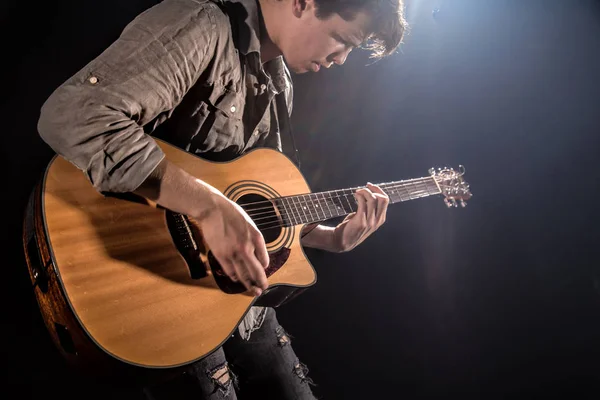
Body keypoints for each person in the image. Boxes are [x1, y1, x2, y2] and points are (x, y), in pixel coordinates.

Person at [36, 0, 407, 398]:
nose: (341, 59)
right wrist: (209, 207)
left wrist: (331, 239)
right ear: (302, 3)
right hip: (160, 291)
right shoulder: (201, 24)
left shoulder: (280, 85)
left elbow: (255, 214)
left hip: (237, 303)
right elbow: (73, 114)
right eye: (341, 39)